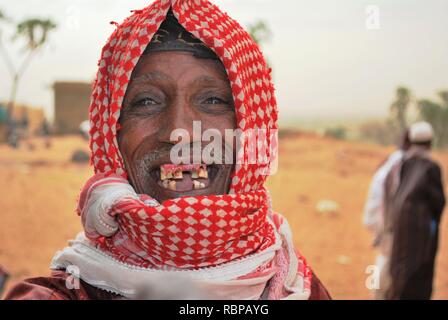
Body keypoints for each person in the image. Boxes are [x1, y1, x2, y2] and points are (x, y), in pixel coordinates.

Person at [5, 0, 330, 300]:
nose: (181, 133)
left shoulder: (297, 285)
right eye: (147, 101)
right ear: (112, 134)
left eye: (213, 100)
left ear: (249, 128)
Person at [384, 122, 445, 300]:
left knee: (400, 270)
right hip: (421, 231)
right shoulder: (431, 168)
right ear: (430, 142)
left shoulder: (405, 163)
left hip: (401, 229)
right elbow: (438, 203)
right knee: (419, 275)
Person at [363, 129, 410, 299]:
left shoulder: (393, 162)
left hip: (386, 229)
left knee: (383, 268)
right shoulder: (399, 165)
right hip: (391, 230)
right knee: (385, 273)